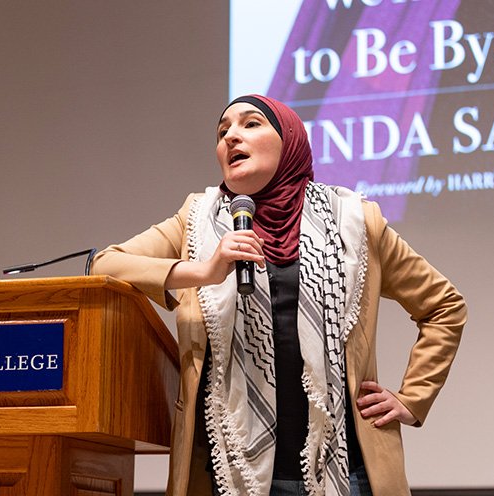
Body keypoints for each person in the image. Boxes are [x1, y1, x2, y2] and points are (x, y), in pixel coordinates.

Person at [91, 95, 466, 496]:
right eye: (223, 132)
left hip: (342, 468)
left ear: (289, 140)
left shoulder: (355, 221)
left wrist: (412, 398)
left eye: (250, 124)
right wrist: (203, 270)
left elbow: (444, 306)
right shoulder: (196, 221)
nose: (232, 136)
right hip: (227, 472)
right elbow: (105, 264)